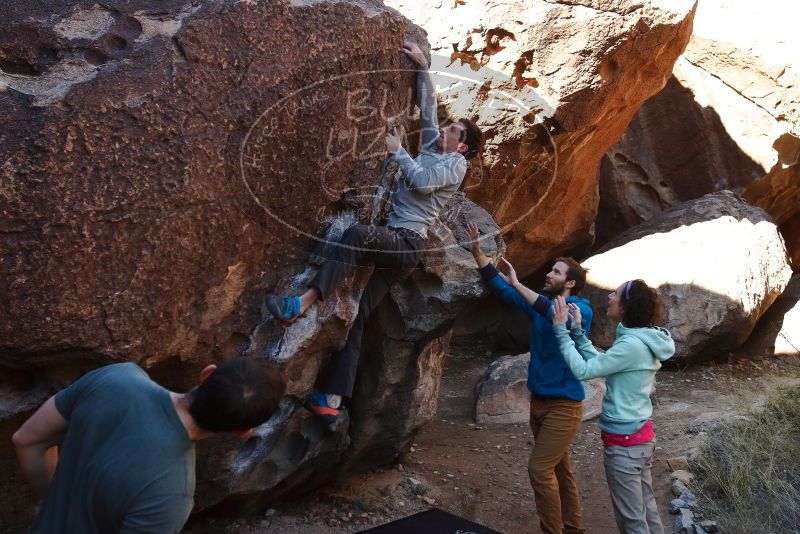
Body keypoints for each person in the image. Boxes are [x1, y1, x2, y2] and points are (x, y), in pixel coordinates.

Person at [263, 40, 483, 423]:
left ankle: (299, 304)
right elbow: (429, 110)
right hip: (399, 249)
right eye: (448, 127)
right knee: (359, 315)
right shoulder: (434, 146)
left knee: (355, 236)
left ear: (462, 148)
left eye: (453, 130)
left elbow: (421, 182)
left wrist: (398, 150)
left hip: (405, 244)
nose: (444, 129)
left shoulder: (454, 168)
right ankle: (330, 398)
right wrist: (422, 68)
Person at [12, 357, 286, 534]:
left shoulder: (117, 378)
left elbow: (27, 440)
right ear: (243, 432)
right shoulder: (172, 493)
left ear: (207, 373)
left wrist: (52, 502)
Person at [465, 222, 592, 534]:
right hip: (539, 402)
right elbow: (506, 292)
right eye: (551, 270)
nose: (549, 274)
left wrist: (519, 282)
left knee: (539, 469)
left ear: (570, 284)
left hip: (564, 406)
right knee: (560, 469)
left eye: (557, 272)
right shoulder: (542, 306)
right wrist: (480, 255)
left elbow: (551, 311)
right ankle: (573, 528)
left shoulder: (579, 309)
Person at [551, 279, 674, 534]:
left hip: (626, 446)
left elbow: (584, 370)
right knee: (647, 510)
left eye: (615, 294)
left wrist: (561, 332)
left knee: (632, 522)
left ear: (627, 307)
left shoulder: (630, 345)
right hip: (639, 439)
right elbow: (605, 364)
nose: (609, 297)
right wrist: (577, 333)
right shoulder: (641, 339)